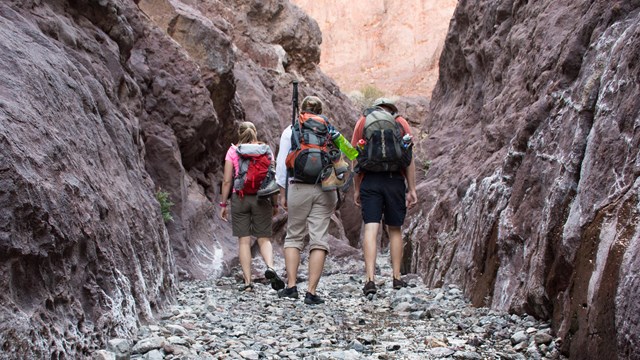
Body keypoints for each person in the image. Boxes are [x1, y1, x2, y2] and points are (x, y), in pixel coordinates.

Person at [275, 96, 342, 305]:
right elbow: (343, 159)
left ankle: (292, 286)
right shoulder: (330, 131)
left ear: (302, 110)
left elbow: (281, 166)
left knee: (294, 236)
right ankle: (311, 292)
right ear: (321, 111)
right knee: (319, 238)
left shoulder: (292, 130)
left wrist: (282, 193)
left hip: (298, 186)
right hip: (325, 188)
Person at [351, 98, 418, 296]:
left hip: (370, 180)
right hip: (394, 180)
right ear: (391, 109)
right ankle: (396, 278)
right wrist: (412, 188)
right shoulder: (401, 122)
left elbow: (355, 156)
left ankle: (370, 279)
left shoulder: (363, 121)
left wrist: (356, 188)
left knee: (371, 227)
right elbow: (409, 158)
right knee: (395, 229)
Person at [219, 121, 285, 292]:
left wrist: (223, 204)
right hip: (262, 197)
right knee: (264, 238)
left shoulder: (233, 151)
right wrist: (275, 203)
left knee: (244, 241)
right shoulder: (265, 150)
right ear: (255, 133)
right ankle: (270, 267)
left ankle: (248, 283)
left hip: (239, 197)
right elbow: (272, 178)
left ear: (239, 133)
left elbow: (227, 180)